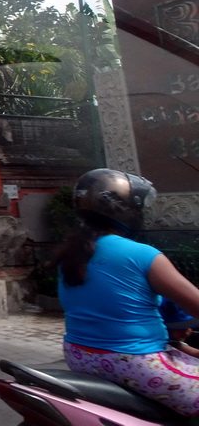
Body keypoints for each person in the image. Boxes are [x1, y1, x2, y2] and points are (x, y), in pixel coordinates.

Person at [55, 167, 199, 416]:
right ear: (125, 210)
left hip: (81, 358)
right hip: (134, 362)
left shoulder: (70, 254)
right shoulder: (142, 254)